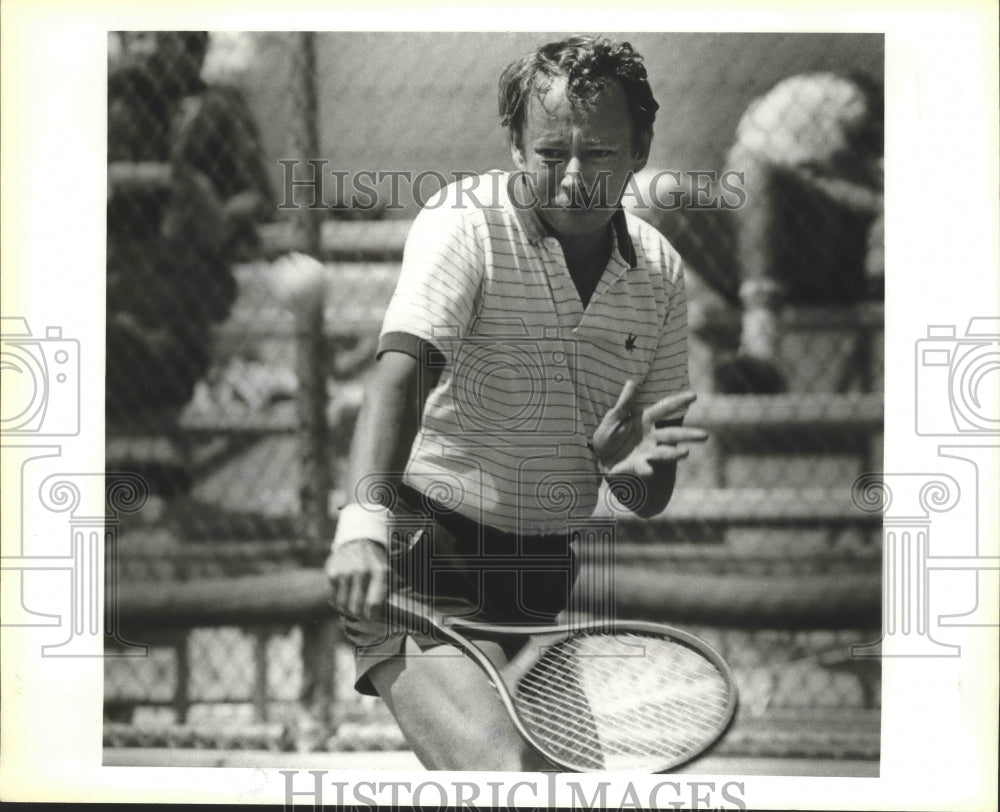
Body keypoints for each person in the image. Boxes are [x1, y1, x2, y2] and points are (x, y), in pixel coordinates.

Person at [325, 35, 707, 770]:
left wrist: (624, 468)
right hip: (419, 562)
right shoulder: (463, 223)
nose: (573, 177)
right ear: (514, 144)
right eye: (550, 152)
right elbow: (399, 375)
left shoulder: (660, 272)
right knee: (506, 776)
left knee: (570, 786)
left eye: (598, 154)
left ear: (640, 147)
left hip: (538, 580)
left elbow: (650, 493)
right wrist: (362, 524)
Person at [717, 72, 884, 393]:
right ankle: (748, 343)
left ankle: (758, 342)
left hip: (840, 264)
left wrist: (819, 181)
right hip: (767, 253)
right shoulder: (789, 122)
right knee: (666, 195)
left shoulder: (877, 143)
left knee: (750, 167)